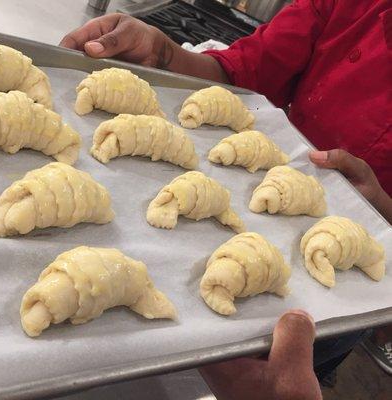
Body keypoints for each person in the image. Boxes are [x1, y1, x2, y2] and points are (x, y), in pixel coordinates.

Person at [59, 0, 391, 397]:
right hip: (281, 180)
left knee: (316, 355)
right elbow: (245, 72)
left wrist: (383, 212)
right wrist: (165, 54)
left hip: (350, 291)